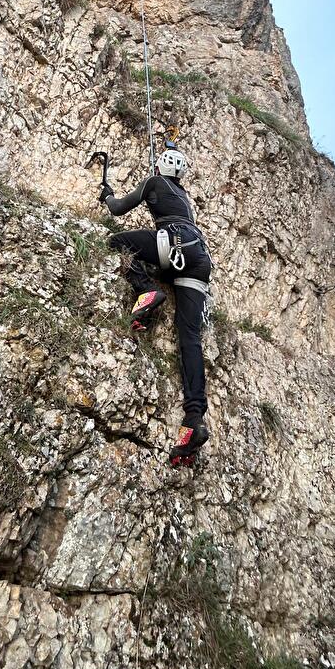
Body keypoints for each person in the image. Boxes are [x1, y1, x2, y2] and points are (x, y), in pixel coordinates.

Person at [100, 146, 212, 467]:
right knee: (189, 339)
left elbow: (119, 209)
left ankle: (147, 292)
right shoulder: (185, 200)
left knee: (117, 242)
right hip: (198, 257)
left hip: (171, 243)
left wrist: (108, 195)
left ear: (160, 167)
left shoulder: (153, 182)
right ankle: (194, 419)